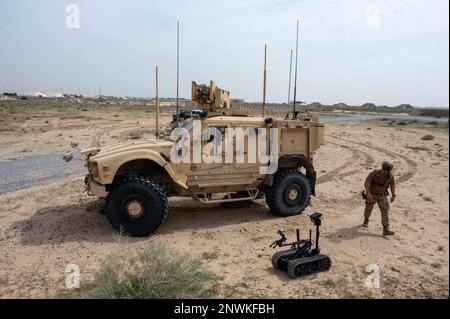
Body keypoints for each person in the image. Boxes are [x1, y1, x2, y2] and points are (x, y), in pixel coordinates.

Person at [363, 161, 396, 236]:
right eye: (384, 170)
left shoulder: (390, 176)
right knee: (368, 208)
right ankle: (366, 219)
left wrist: (393, 195)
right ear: (382, 168)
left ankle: (386, 229)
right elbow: (366, 182)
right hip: (372, 195)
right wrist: (368, 193)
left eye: (387, 171)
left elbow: (392, 185)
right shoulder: (374, 173)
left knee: (385, 211)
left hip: (382, 196)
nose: (385, 172)